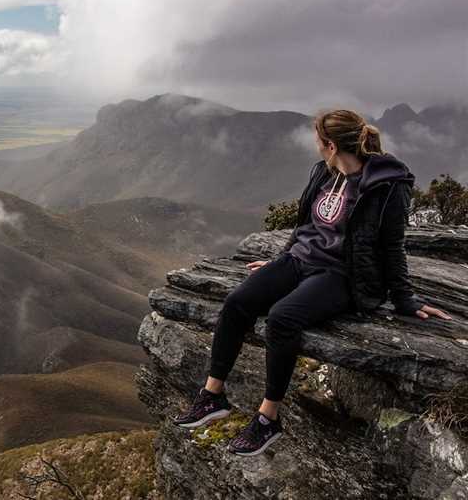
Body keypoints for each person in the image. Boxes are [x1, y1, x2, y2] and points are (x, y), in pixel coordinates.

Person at [170, 108, 453, 457]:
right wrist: (279, 262)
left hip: (343, 275)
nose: (316, 147)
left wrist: (405, 299)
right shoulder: (323, 172)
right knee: (237, 302)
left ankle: (267, 418)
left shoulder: (386, 186)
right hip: (300, 260)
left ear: (331, 145)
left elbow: (393, 246)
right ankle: (213, 396)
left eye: (319, 141)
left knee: (282, 318)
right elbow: (306, 225)